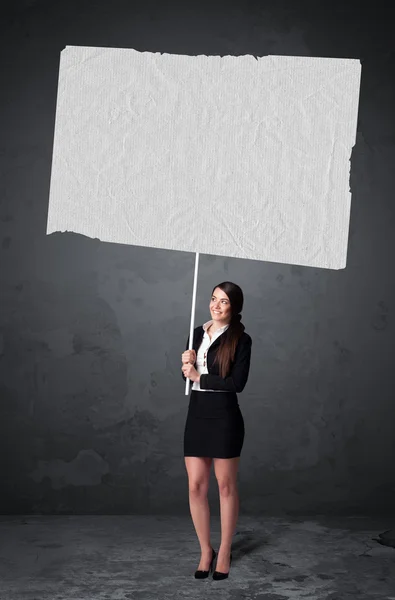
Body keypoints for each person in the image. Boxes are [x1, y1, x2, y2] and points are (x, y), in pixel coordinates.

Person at [181, 281, 252, 580]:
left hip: (224, 417)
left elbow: (237, 384)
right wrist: (185, 366)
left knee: (225, 487)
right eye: (213, 299)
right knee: (196, 486)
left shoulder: (242, 339)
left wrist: (199, 375)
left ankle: (224, 549)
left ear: (234, 307)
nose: (216, 305)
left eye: (224, 301)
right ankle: (205, 550)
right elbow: (188, 379)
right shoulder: (196, 333)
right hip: (197, 414)